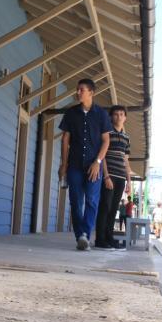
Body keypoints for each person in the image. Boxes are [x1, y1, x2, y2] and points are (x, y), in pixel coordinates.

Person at [58, 79, 112, 251]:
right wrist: (63, 164)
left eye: (82, 90)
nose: (78, 92)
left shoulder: (101, 114)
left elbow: (106, 141)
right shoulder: (71, 113)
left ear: (91, 92)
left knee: (91, 200)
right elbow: (65, 139)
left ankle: (85, 235)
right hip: (74, 164)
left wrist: (98, 162)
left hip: (93, 165)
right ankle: (80, 236)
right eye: (77, 89)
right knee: (75, 201)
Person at [94, 105, 132, 249]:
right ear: (111, 117)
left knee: (114, 208)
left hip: (121, 177)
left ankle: (110, 238)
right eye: (115, 114)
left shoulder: (126, 138)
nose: (118, 117)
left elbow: (126, 160)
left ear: (125, 118)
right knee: (105, 206)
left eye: (121, 114)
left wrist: (129, 181)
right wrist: (106, 176)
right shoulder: (107, 133)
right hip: (109, 176)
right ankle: (100, 239)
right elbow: (102, 155)